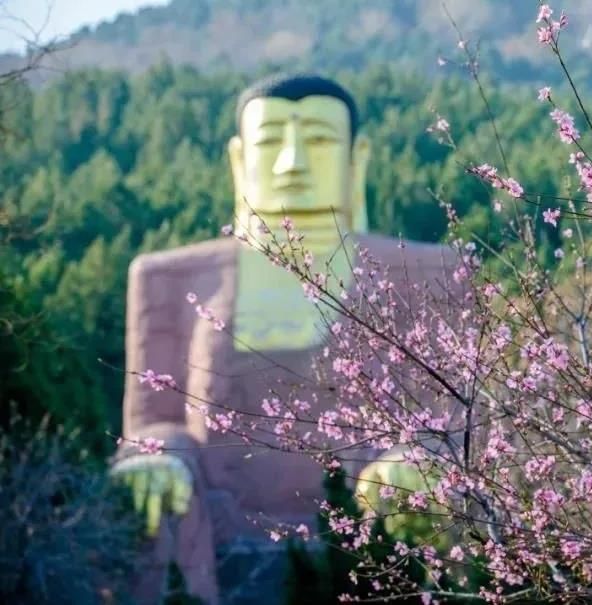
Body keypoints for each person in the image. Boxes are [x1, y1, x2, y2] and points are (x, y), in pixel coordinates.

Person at [109, 73, 458, 604]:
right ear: (238, 158)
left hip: (371, 550)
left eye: (317, 140)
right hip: (220, 544)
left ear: (355, 156)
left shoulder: (426, 272)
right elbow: (153, 422)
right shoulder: (167, 278)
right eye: (270, 141)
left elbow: (453, 423)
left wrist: (417, 461)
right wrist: (155, 459)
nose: (291, 163)